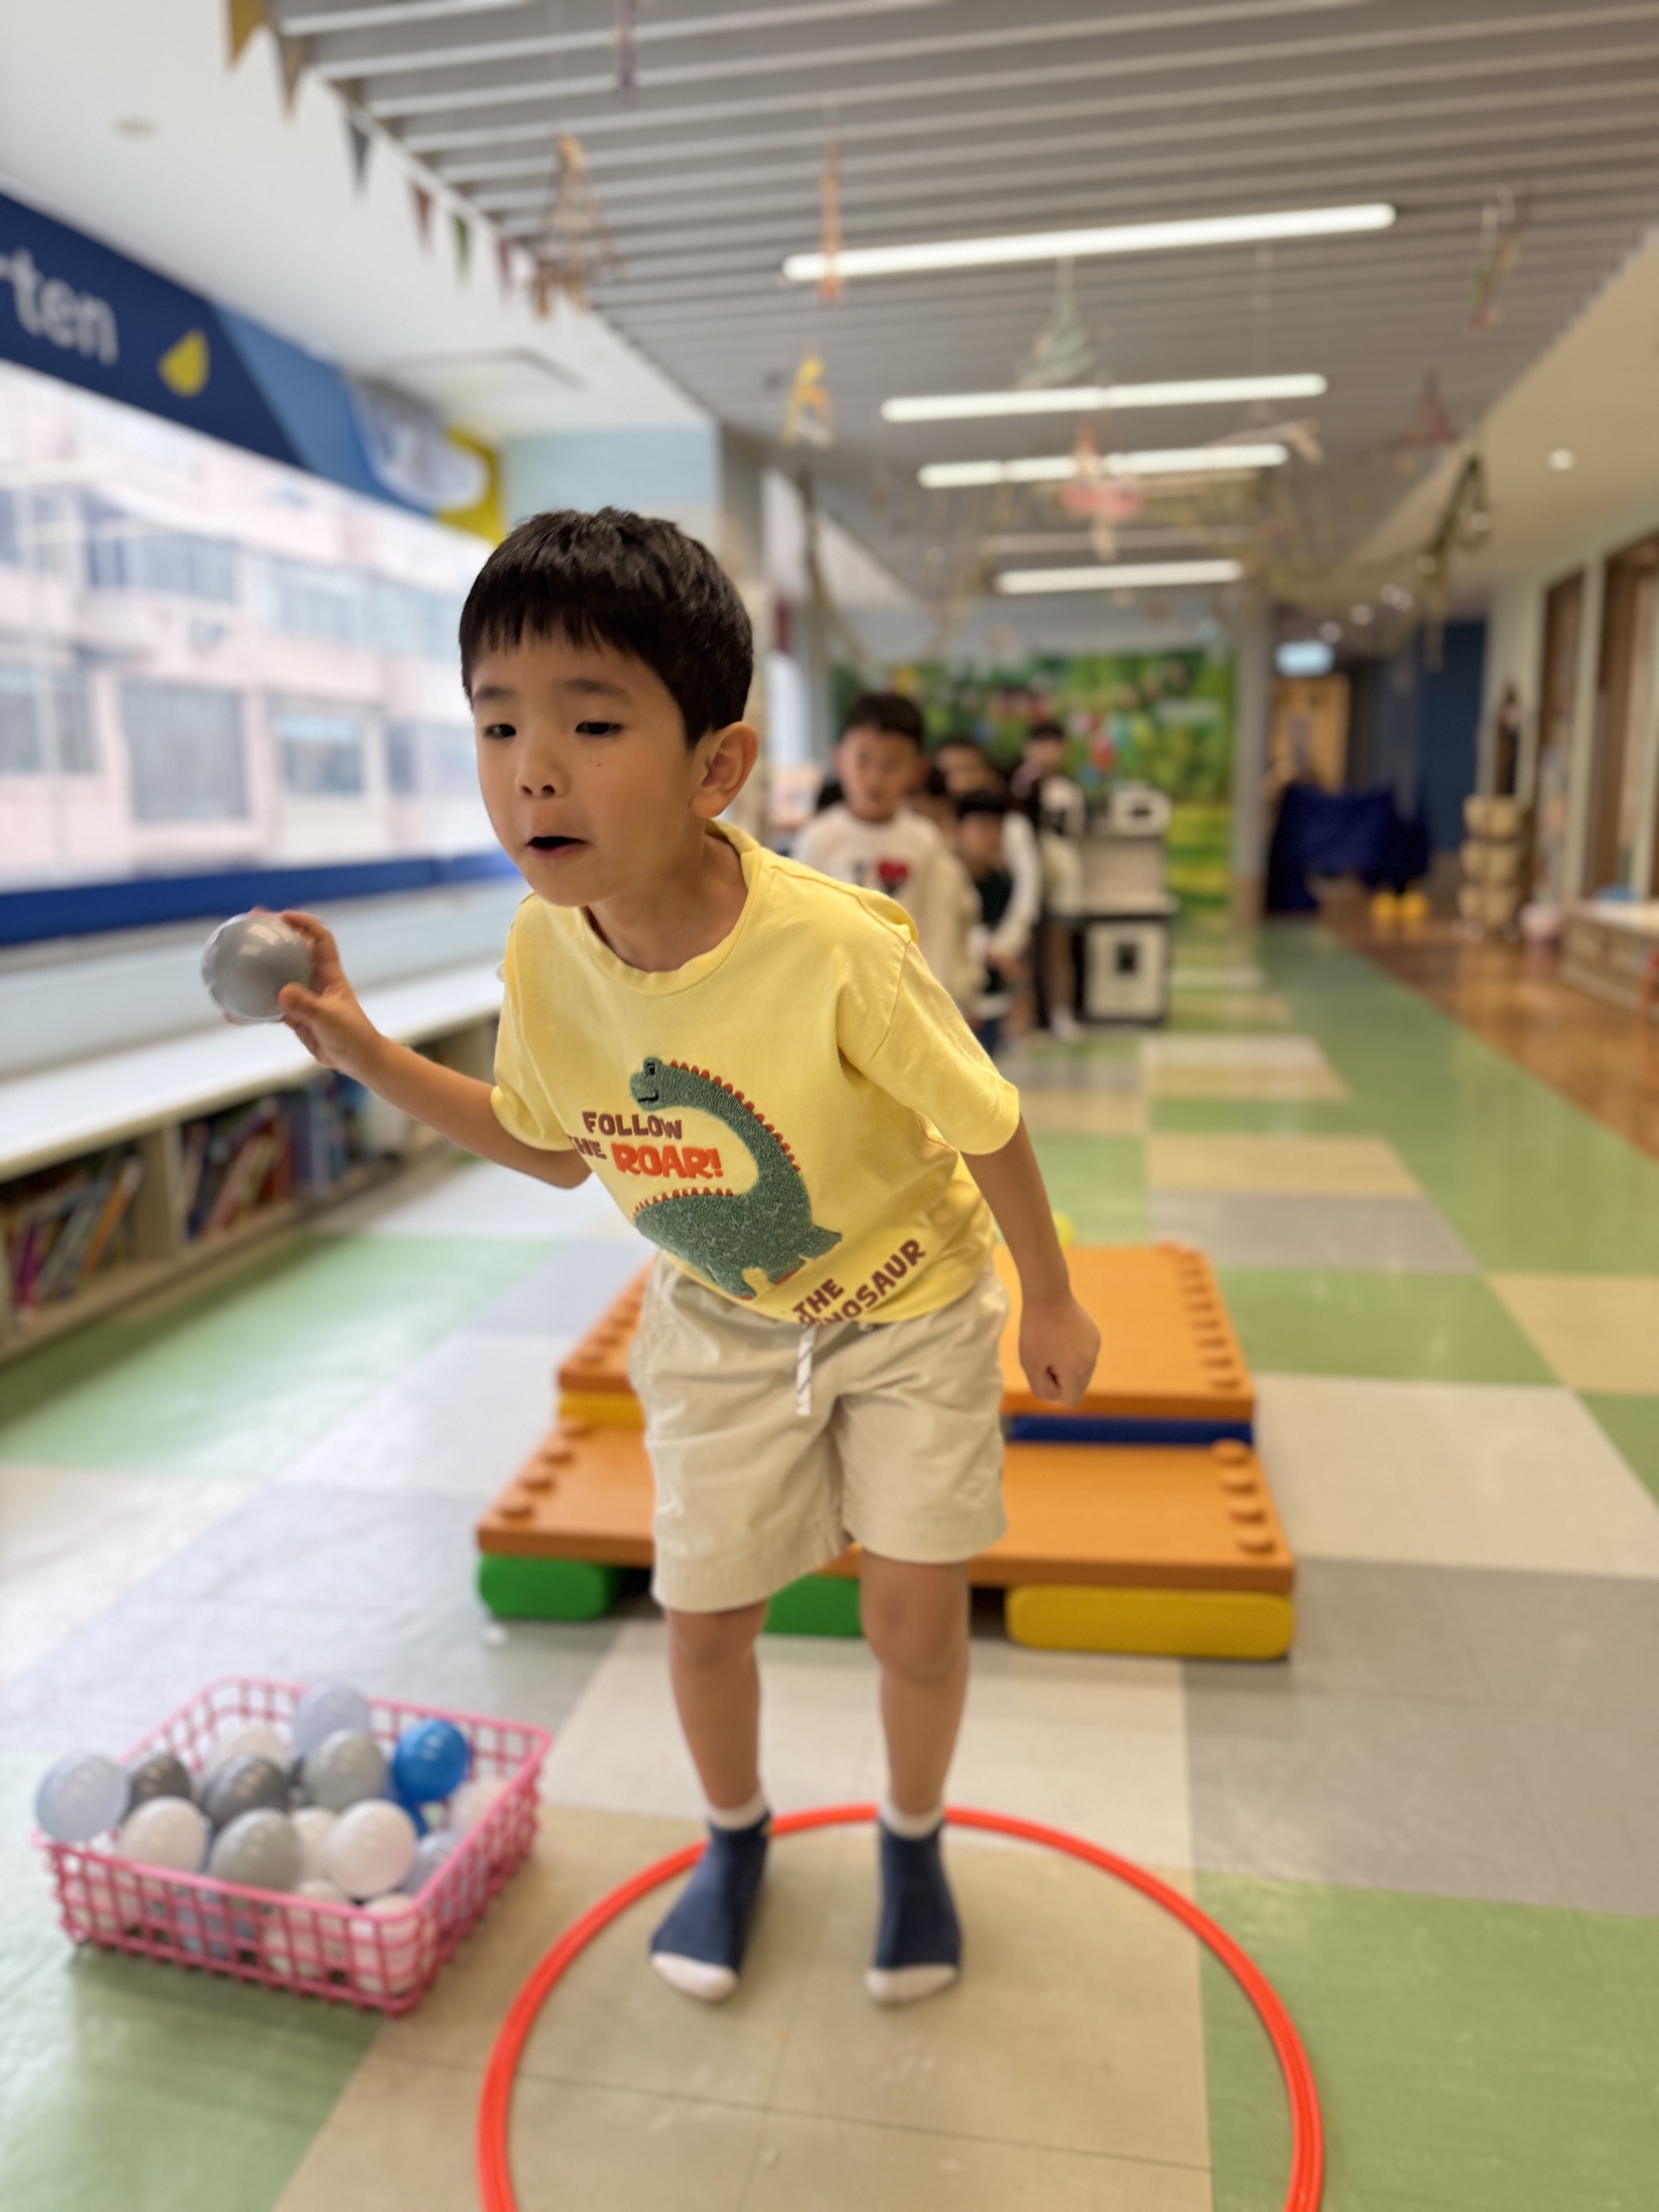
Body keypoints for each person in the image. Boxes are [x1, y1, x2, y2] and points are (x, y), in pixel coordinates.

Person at [270, 510, 1100, 2012]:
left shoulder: (839, 947)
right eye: (498, 724)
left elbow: (988, 1119)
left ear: (717, 768)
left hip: (910, 1308)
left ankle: (913, 1841)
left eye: (592, 724)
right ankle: (734, 1835)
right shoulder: (544, 952)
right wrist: (366, 1051)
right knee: (705, 1614)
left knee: (913, 1616)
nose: (534, 769)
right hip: (721, 1318)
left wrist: (1048, 1294)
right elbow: (548, 1145)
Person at [795, 694, 966, 989]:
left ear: (917, 771)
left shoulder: (925, 841)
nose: (874, 778)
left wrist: (935, 992)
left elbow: (937, 925)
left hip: (905, 990)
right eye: (863, 760)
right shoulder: (819, 838)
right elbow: (801, 925)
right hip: (836, 990)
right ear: (840, 760)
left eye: (891, 764)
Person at [931, 737, 1042, 1032]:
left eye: (968, 769)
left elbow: (1025, 897)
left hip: (997, 968)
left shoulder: (1011, 829)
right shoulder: (927, 833)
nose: (959, 780)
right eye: (950, 772)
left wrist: (1002, 949)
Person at [1017, 721, 1087, 1039]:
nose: (1046, 752)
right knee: (1024, 944)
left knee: (1059, 945)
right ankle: (1026, 1016)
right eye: (1039, 744)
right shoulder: (1020, 784)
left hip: (1062, 871)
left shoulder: (1068, 791)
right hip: (1026, 871)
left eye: (1053, 745)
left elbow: (1075, 833)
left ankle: (1062, 1013)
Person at [955, 789, 1029, 1056]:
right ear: (960, 831)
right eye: (982, 828)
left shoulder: (1001, 883)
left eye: (998, 829)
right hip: (954, 997)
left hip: (993, 999)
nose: (992, 838)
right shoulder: (949, 880)